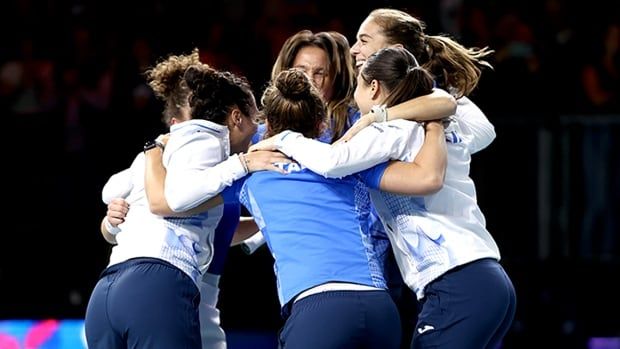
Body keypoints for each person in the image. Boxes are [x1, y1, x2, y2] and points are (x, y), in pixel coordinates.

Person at [146, 67, 448, 349]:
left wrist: (153, 154)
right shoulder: (351, 163)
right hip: (380, 309)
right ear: (322, 125)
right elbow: (426, 177)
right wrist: (434, 126)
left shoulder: (251, 175)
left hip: (317, 311)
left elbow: (168, 203)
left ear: (267, 129)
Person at [253, 46, 516, 349]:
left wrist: (285, 137)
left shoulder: (389, 132)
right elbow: (484, 129)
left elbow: (333, 162)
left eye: (359, 86)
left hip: (455, 281)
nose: (354, 96)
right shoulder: (442, 126)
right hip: (491, 278)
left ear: (374, 87)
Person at [86, 54, 288, 349]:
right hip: (158, 287)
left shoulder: (162, 149)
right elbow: (173, 200)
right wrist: (243, 164)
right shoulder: (208, 140)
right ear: (235, 117)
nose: (257, 125)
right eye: (254, 117)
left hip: (108, 290)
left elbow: (111, 191)